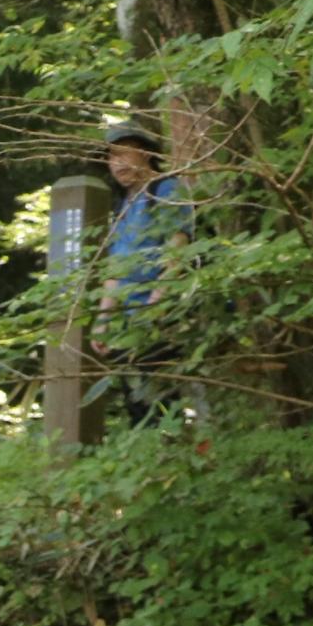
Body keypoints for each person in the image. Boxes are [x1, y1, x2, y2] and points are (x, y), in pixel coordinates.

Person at [93, 122, 191, 428]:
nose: (117, 163)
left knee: (166, 401)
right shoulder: (123, 205)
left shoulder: (167, 190)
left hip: (165, 318)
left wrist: (155, 306)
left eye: (125, 154)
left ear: (146, 154)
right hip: (132, 321)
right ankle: (154, 460)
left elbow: (177, 254)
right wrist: (104, 317)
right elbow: (115, 267)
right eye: (112, 157)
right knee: (137, 402)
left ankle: (177, 456)